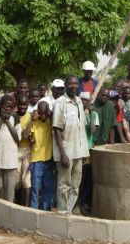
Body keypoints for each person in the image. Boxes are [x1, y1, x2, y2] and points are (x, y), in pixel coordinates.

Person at [52, 76, 89, 213]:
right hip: (66, 152)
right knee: (64, 184)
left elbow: (81, 128)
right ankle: (62, 212)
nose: (73, 86)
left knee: (75, 184)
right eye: (70, 83)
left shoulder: (79, 101)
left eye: (75, 83)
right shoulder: (60, 102)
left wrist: (84, 152)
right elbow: (56, 129)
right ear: (66, 85)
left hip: (79, 152)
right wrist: (63, 154)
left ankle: (69, 210)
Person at [23, 101, 54, 211]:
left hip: (49, 160)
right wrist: (32, 119)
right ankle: (33, 210)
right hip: (36, 161)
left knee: (48, 188)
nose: (43, 116)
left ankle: (46, 210)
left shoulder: (50, 121)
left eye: (45, 113)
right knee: (35, 188)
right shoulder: (34, 122)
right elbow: (25, 135)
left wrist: (51, 115)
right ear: (37, 112)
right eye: (40, 114)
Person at [79, 92, 99, 213]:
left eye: (87, 100)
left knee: (85, 177)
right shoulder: (77, 112)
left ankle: (82, 202)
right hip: (77, 149)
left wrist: (90, 114)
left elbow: (92, 130)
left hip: (87, 149)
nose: (85, 102)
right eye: (83, 100)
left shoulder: (94, 114)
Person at [15, 94, 32, 206]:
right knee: (16, 181)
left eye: (24, 104)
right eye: (20, 104)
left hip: (27, 150)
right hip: (15, 150)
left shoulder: (30, 117)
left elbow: (27, 136)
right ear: (17, 104)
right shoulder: (13, 116)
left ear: (27, 105)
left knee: (26, 180)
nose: (22, 107)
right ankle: (16, 204)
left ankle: (25, 207)